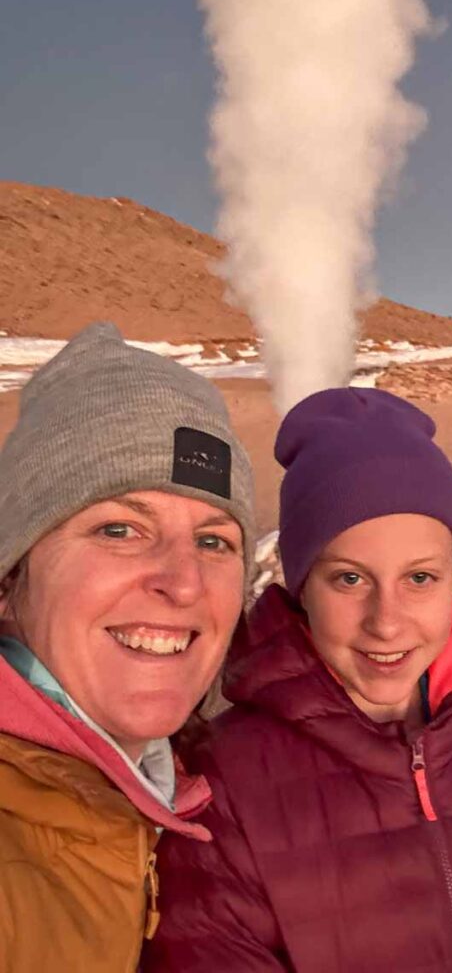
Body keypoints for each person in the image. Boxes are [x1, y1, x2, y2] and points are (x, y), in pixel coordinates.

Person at [143, 388, 452, 973]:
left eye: (419, 578)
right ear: (300, 588)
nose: (386, 623)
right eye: (349, 579)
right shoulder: (221, 782)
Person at [0, 322, 256, 973]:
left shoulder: (138, 794)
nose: (183, 581)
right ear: (11, 577)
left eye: (214, 540)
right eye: (120, 528)